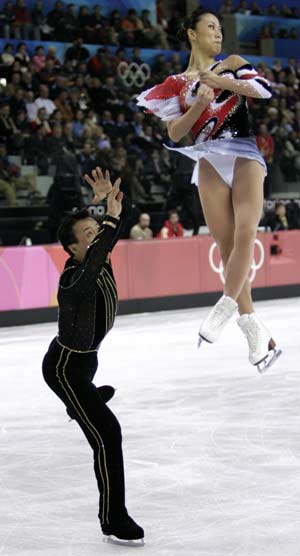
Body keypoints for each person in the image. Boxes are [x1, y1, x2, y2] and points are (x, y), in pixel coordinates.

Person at [137, 7, 281, 372]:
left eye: (220, 28)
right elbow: (173, 132)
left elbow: (262, 91)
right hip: (207, 160)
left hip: (245, 154)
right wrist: (199, 101)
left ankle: (225, 306)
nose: (218, 34)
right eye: (211, 27)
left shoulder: (232, 62)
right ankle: (253, 332)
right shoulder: (176, 84)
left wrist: (223, 82)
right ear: (191, 33)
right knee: (228, 246)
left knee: (247, 231)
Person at [42, 167, 144, 546]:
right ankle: (113, 518)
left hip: (86, 363)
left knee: (90, 409)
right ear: (73, 250)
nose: (98, 236)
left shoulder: (97, 253)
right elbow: (102, 247)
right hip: (65, 369)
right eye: (88, 235)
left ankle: (80, 404)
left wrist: (111, 205)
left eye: (97, 230)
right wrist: (110, 218)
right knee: (107, 434)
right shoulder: (73, 281)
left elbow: (108, 236)